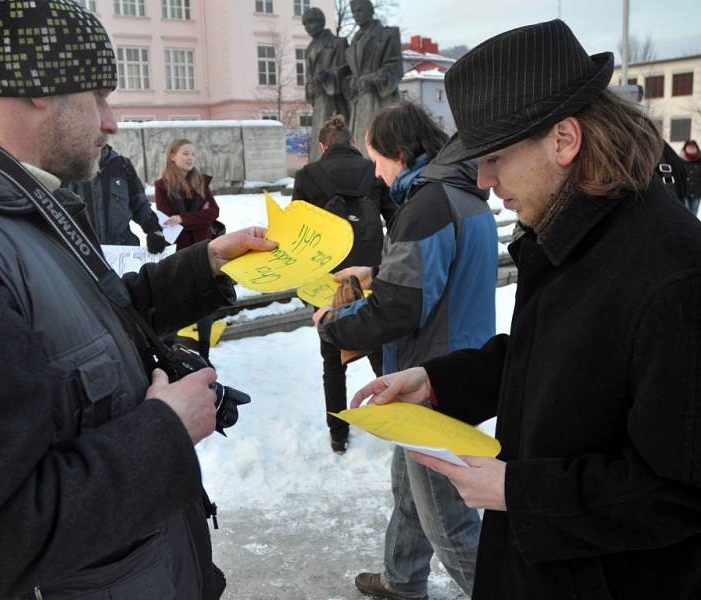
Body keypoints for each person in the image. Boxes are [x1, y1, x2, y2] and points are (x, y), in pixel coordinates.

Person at [0, 1, 275, 598]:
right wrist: (164, 433)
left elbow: (84, 326)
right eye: (99, 96)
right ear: (36, 87)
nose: (111, 122)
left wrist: (206, 262)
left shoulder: (13, 208)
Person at [351, 20, 701, 600]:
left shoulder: (672, 274)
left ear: (564, 141)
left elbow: (677, 490)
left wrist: (519, 492)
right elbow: (562, 358)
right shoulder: (577, 229)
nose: (485, 181)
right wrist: (439, 381)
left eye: (495, 159)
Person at [314, 101, 498, 599]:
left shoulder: (428, 204)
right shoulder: (461, 194)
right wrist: (374, 275)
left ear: (401, 151)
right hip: (455, 365)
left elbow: (400, 309)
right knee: (410, 492)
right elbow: (441, 277)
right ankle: (401, 578)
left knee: (447, 519)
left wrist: (334, 326)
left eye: (378, 159)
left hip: (433, 382)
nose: (374, 172)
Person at [293, 114, 396, 454]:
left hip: (327, 278)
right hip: (370, 272)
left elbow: (297, 231)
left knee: (332, 356)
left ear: (322, 147)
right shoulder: (373, 171)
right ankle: (396, 418)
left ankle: (338, 433)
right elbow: (395, 219)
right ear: (353, 143)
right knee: (379, 346)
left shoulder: (308, 175)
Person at [154, 139, 222, 363]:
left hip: (204, 246)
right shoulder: (162, 186)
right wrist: (197, 217)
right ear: (172, 156)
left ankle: (205, 353)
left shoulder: (201, 182)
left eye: (193, 153)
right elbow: (166, 219)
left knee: (207, 299)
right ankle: (170, 352)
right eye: (186, 153)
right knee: (176, 299)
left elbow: (213, 212)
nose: (191, 157)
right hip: (179, 249)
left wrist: (183, 218)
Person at [64, 143, 169, 254]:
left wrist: (154, 229)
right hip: (81, 252)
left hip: (121, 252)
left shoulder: (122, 165)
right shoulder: (66, 167)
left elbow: (140, 203)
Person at [343, 0, 403, 157]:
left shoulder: (387, 34)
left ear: (370, 11)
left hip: (379, 98)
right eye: (354, 12)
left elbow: (395, 67)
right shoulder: (355, 40)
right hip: (360, 100)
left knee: (379, 141)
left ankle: (378, 172)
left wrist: (371, 78)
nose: (356, 15)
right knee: (360, 141)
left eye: (360, 11)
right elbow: (352, 71)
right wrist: (352, 81)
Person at [302, 7, 350, 163]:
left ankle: (330, 162)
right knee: (319, 132)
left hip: (333, 98)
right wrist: (309, 87)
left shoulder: (338, 43)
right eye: (306, 24)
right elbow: (309, 73)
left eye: (312, 22)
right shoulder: (309, 48)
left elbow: (347, 69)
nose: (308, 26)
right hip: (319, 97)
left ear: (321, 22)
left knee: (332, 133)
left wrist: (328, 76)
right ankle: (319, 163)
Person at [680, 139, 701, 215]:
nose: (691, 150)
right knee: (686, 213)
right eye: (689, 148)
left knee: (694, 214)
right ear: (685, 149)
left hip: (697, 193)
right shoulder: (680, 161)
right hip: (684, 192)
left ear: (697, 149)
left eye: (693, 148)